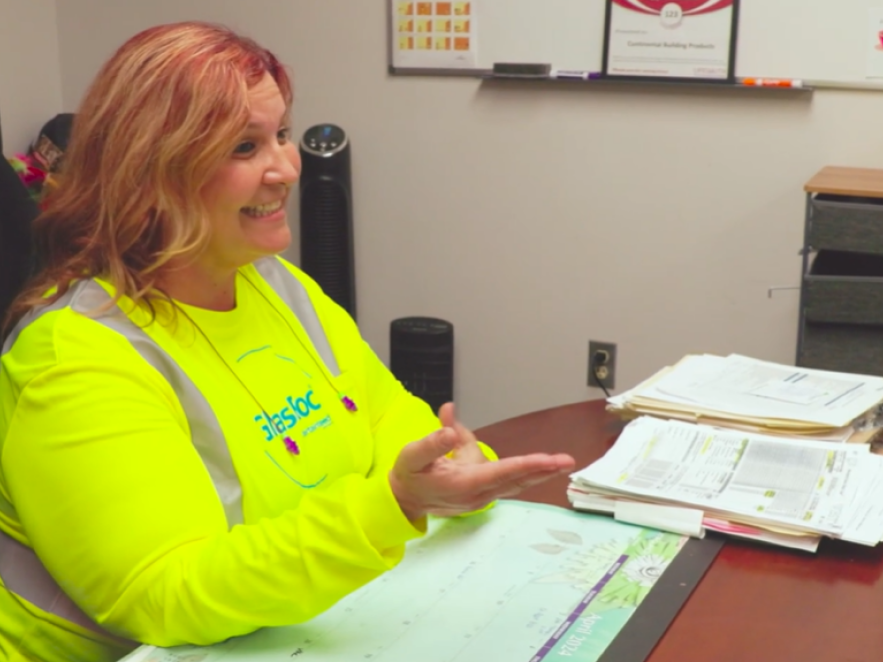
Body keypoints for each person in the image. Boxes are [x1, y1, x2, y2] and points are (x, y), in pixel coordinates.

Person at [0, 21, 576, 662]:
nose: (286, 169)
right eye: (244, 148)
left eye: (281, 134)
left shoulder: (276, 283)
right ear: (151, 171)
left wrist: (441, 467)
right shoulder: (76, 357)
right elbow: (164, 595)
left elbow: (383, 412)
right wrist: (392, 504)